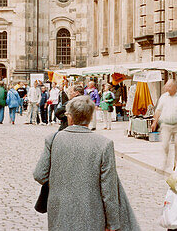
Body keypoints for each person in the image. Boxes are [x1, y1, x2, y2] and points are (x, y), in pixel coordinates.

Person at [33, 95, 141, 231]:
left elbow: (39, 175)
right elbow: (109, 190)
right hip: (92, 214)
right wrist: (113, 223)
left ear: (69, 117)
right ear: (90, 118)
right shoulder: (104, 144)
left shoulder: (53, 140)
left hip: (60, 212)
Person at [152, 78, 177, 172]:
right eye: (166, 85)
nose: (166, 88)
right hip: (166, 125)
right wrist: (154, 122)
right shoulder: (163, 97)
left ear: (175, 87)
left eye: (169, 86)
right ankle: (165, 162)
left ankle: (176, 165)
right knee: (165, 145)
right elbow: (158, 110)